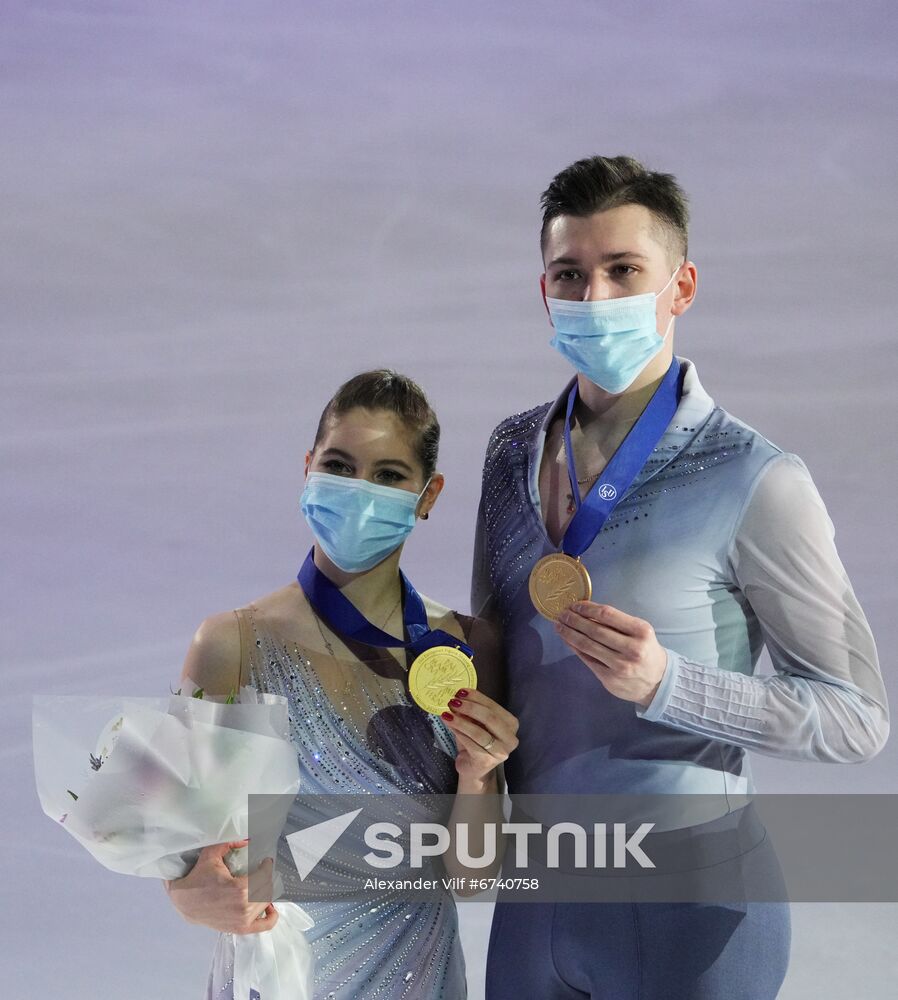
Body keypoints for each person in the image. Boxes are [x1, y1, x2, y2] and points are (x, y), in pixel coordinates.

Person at [472, 155, 888, 999]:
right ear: (543, 290)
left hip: (692, 910)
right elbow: (495, 662)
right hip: (536, 902)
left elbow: (858, 722)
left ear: (682, 286)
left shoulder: (754, 477)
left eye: (625, 270)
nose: (596, 298)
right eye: (571, 274)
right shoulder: (511, 451)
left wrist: (669, 684)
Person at [166, 369, 517, 998]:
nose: (361, 490)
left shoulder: (470, 648)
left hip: (418, 974)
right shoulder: (228, 645)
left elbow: (473, 878)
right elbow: (187, 852)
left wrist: (477, 775)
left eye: (388, 476)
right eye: (340, 464)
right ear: (308, 468)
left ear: (428, 494)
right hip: (276, 979)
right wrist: (189, 892)